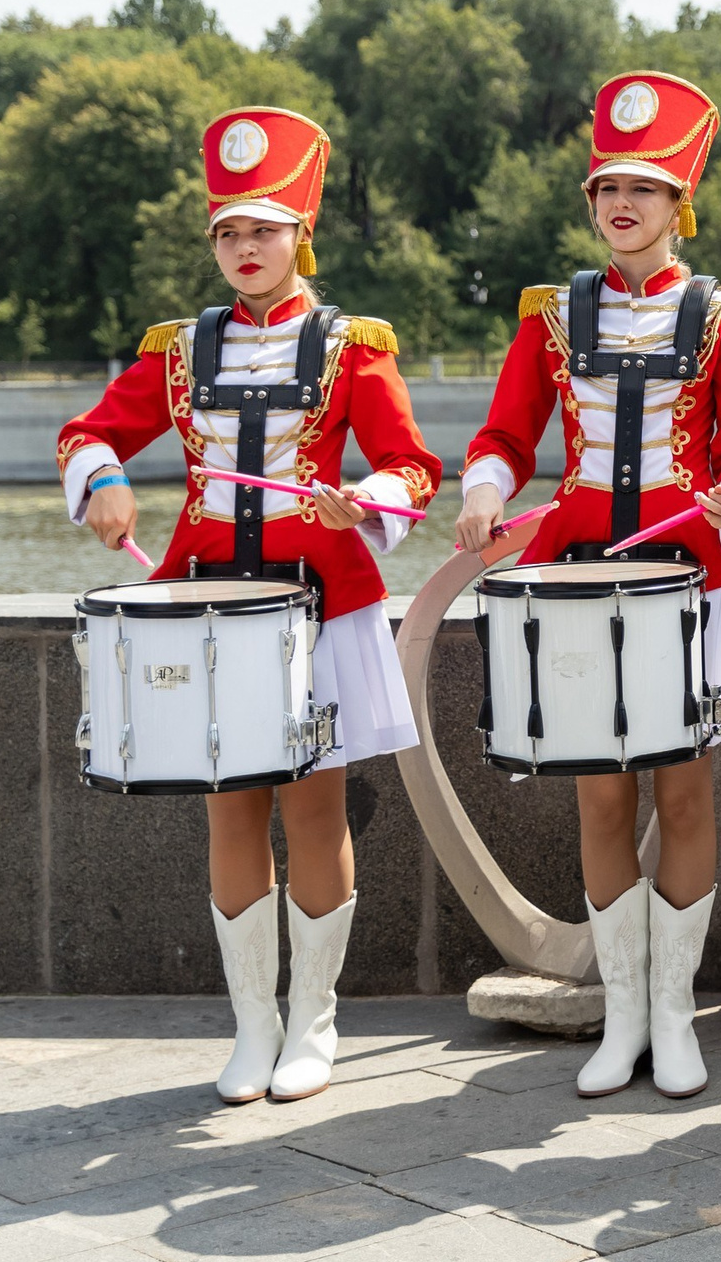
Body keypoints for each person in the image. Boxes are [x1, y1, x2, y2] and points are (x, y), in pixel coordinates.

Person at [58, 106, 440, 1104]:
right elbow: (88, 433)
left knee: (314, 812)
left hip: (320, 606)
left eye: (261, 230)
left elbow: (411, 466)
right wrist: (101, 482)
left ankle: (314, 1024)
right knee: (230, 809)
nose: (243, 249)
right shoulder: (179, 351)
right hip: (207, 608)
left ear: (298, 235)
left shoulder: (353, 344)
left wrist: (360, 502)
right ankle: (250, 1028)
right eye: (227, 232)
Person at [453, 71, 721, 1101]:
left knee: (683, 796)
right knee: (600, 800)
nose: (622, 205)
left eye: (644, 188)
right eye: (606, 190)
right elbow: (508, 433)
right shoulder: (552, 315)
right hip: (583, 582)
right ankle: (622, 1018)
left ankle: (672, 1018)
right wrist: (483, 486)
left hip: (689, 579)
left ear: (681, 206)